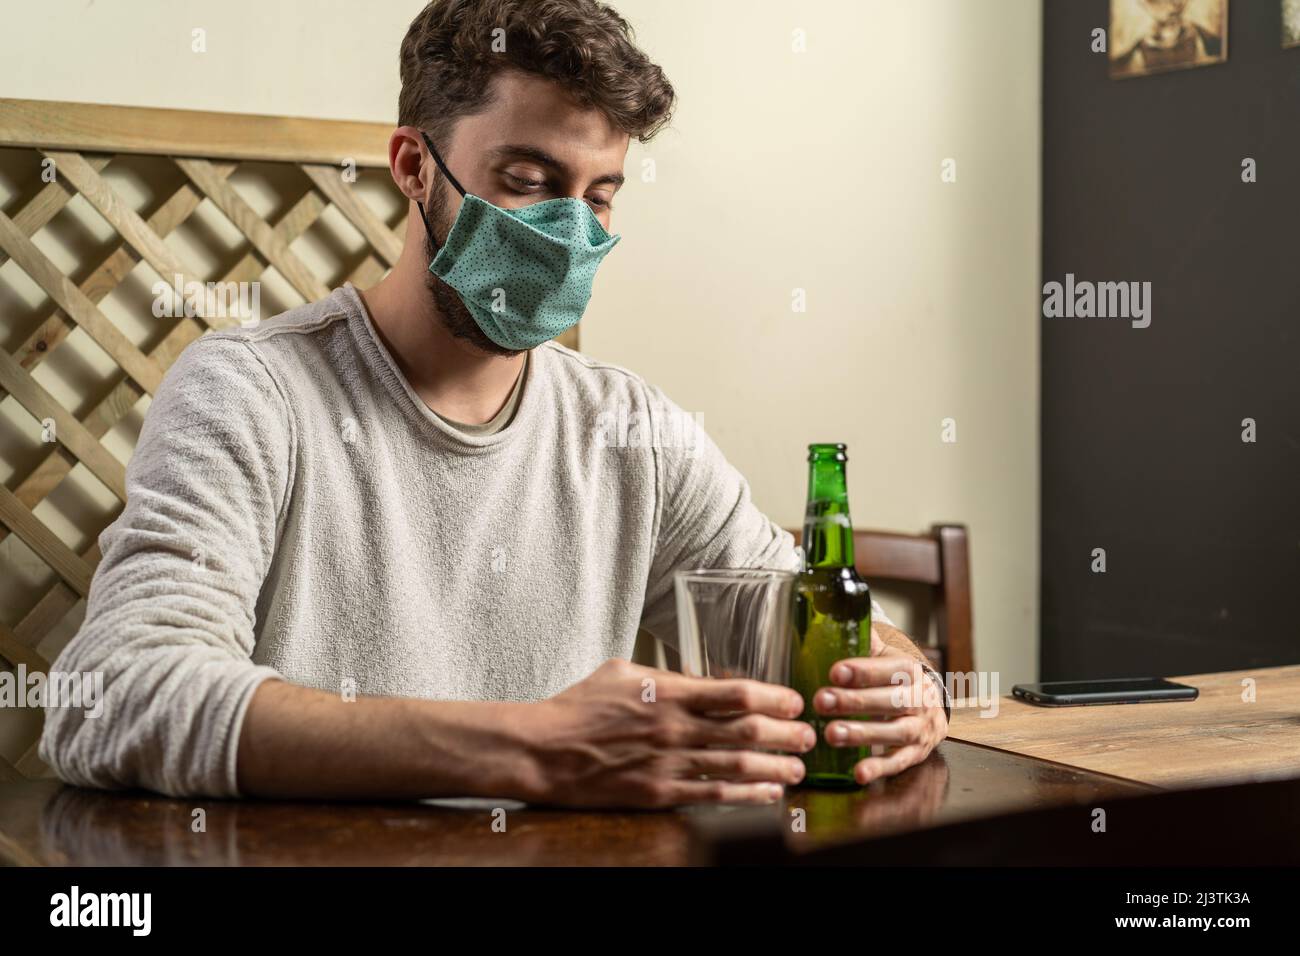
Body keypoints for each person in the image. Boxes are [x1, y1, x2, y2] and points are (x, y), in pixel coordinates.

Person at [41, 0, 949, 805]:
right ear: (411, 166)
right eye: (529, 183)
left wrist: (905, 688)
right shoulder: (250, 393)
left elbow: (807, 618)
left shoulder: (634, 434)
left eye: (599, 198)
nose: (570, 235)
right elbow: (118, 693)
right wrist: (529, 746)